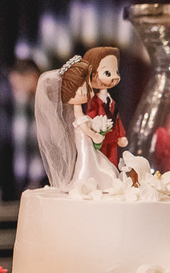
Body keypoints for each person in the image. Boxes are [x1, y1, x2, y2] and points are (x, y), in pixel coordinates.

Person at [34, 56, 121, 192]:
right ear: (79, 91)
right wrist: (94, 135)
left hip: (85, 143)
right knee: (87, 161)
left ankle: (95, 182)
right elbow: (83, 127)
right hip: (84, 142)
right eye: (88, 88)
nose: (91, 92)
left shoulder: (80, 113)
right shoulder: (79, 115)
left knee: (94, 161)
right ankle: (84, 181)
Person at [82, 46, 128, 166]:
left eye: (116, 72)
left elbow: (117, 118)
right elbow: (90, 116)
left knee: (112, 162)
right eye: (107, 73)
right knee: (99, 162)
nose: (114, 77)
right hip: (100, 138)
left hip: (112, 138)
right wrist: (94, 132)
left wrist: (121, 135)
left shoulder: (111, 100)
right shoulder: (94, 101)